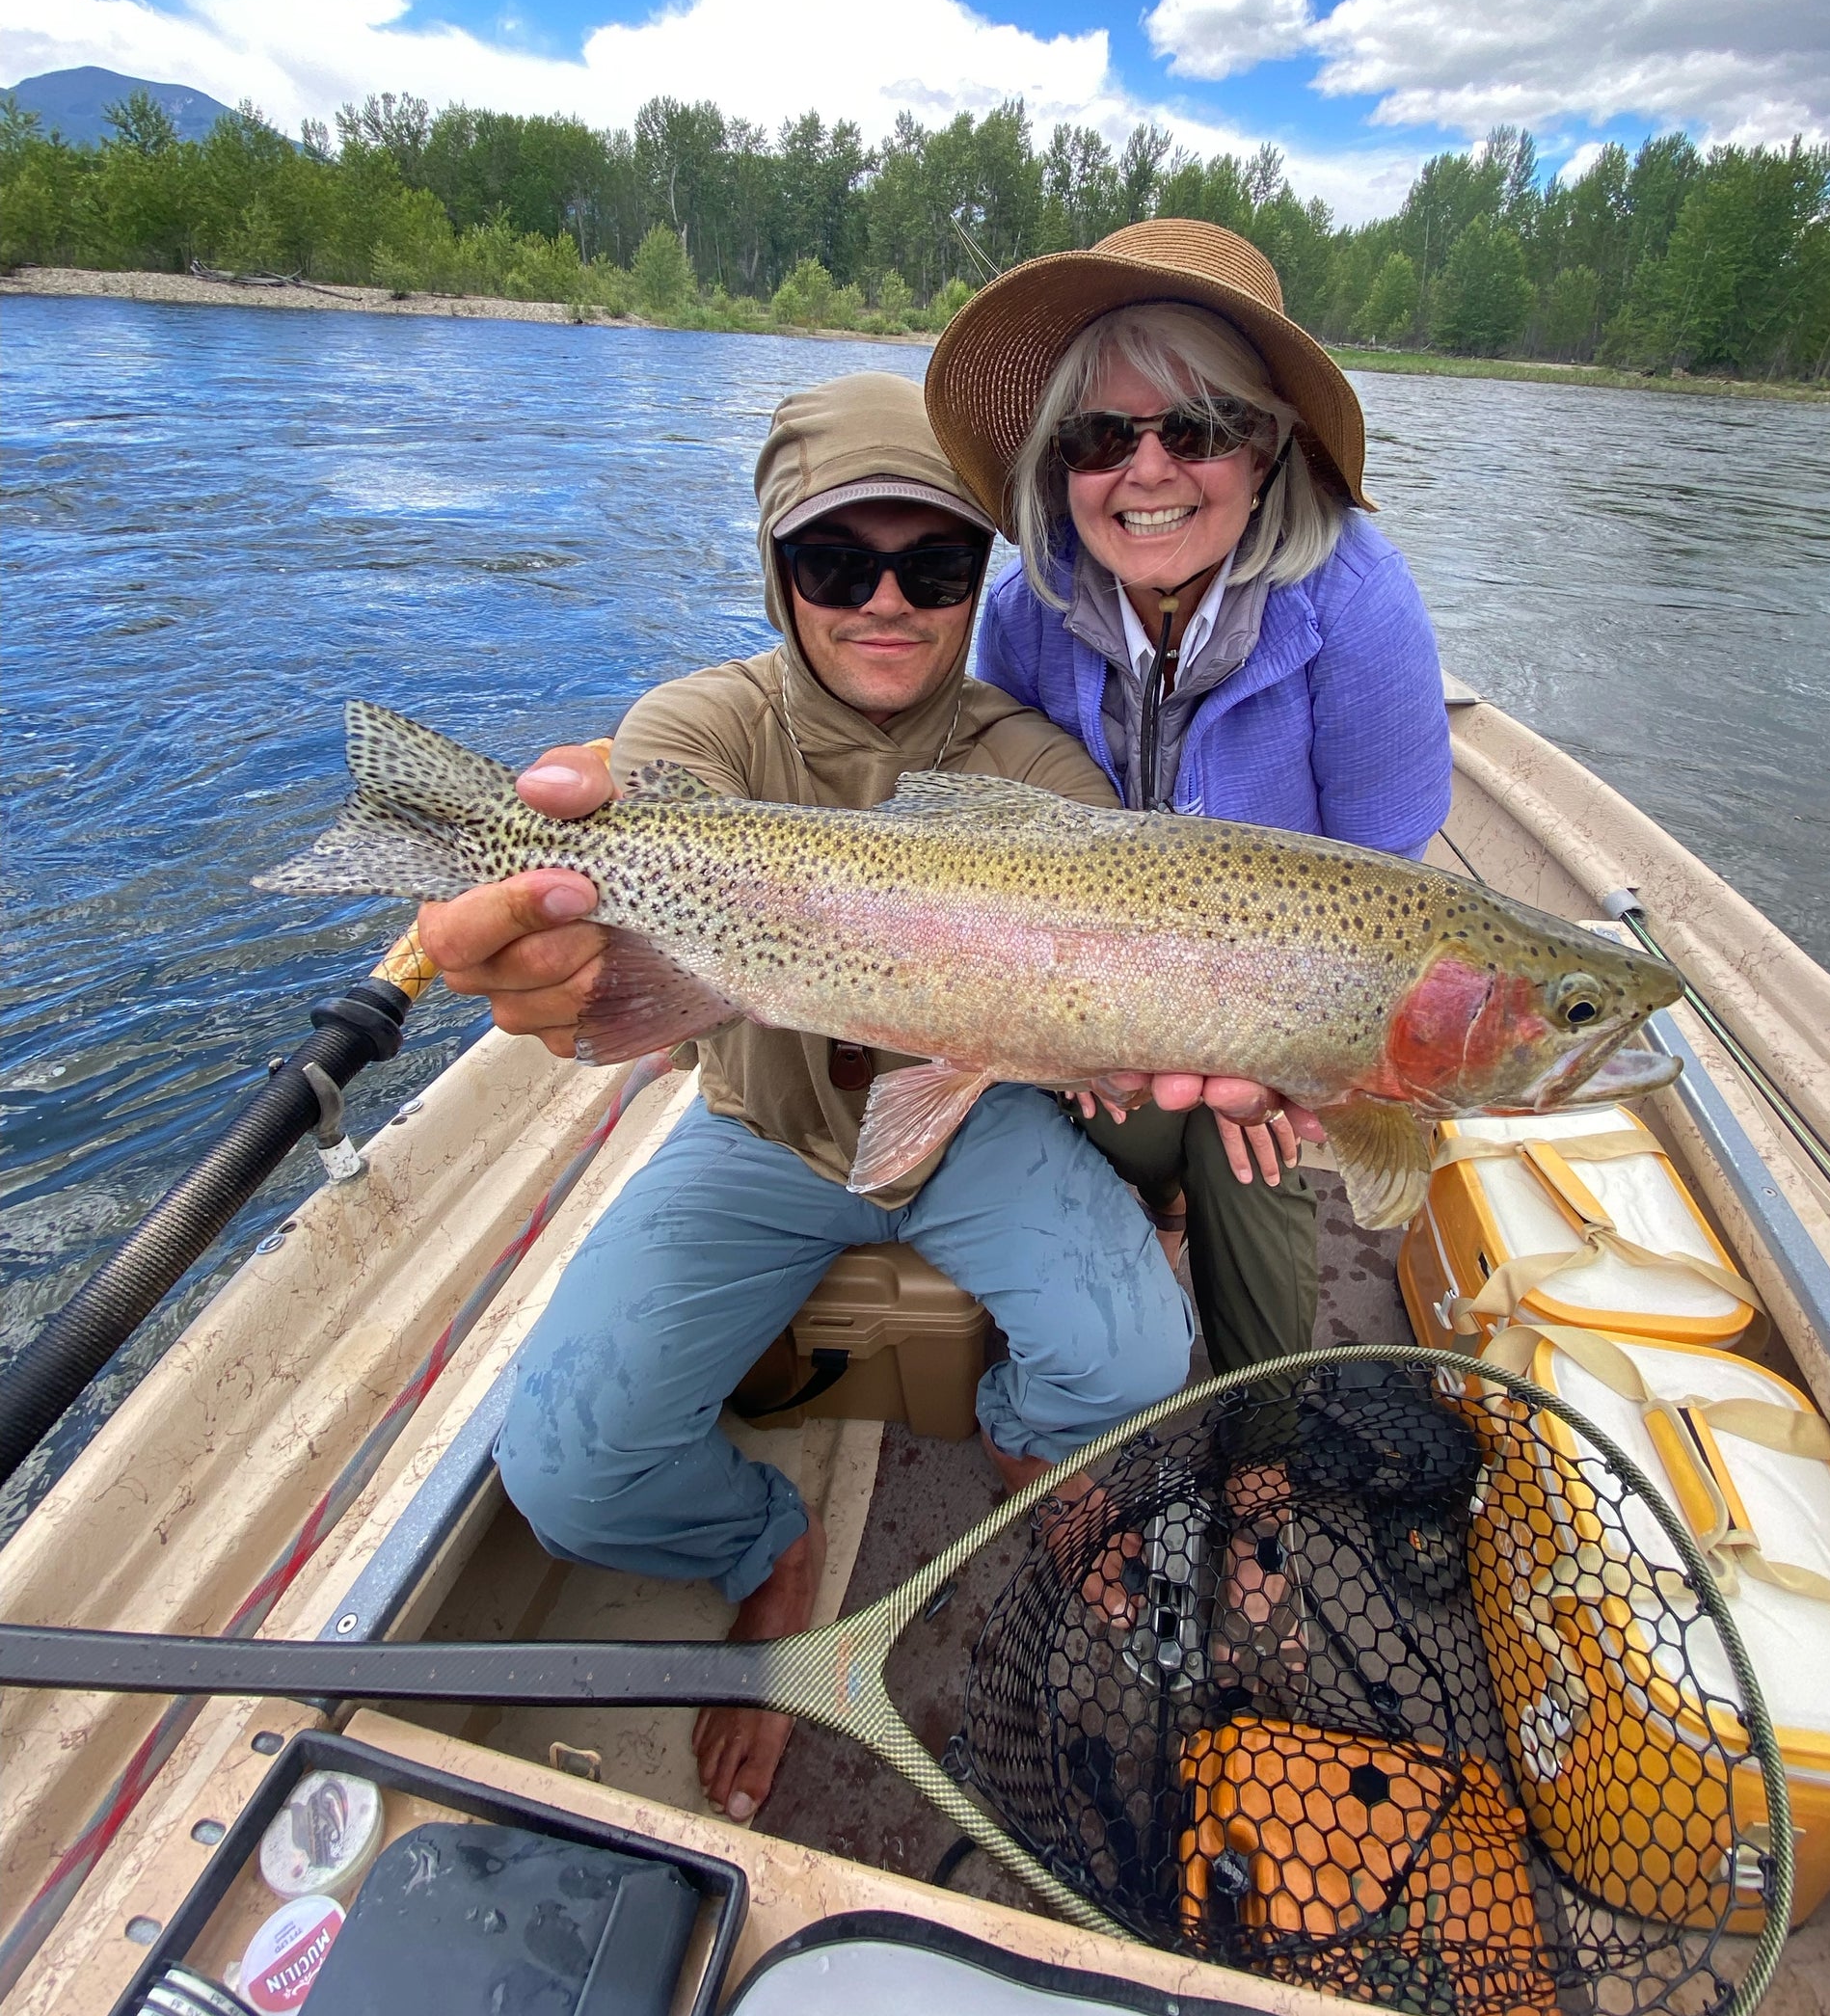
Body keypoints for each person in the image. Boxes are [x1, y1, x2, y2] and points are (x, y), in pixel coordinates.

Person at [416, 371, 1193, 1826]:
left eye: (935, 562)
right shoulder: (700, 723)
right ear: (778, 572)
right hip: (758, 1127)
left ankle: (1025, 1432)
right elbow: (630, 825)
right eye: (838, 561)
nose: (886, 599)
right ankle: (766, 1543)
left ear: (980, 578)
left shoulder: (1032, 764)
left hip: (970, 1123)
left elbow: (1112, 942)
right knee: (567, 1471)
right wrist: (556, 925)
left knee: (1138, 1361)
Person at [925, 218, 1453, 1373]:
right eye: (1100, 435)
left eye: (1200, 429)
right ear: (1060, 464)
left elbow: (1391, 898)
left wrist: (1279, 1059)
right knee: (1113, 1109)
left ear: (1265, 452)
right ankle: (1122, 1285)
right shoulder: (1020, 616)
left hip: (1284, 989)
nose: (1146, 471)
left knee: (1244, 1140)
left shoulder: (1358, 606)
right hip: (1082, 974)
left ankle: (1259, 1440)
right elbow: (999, 840)